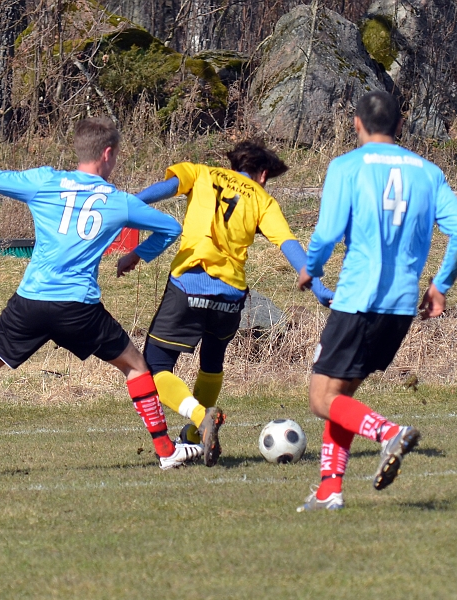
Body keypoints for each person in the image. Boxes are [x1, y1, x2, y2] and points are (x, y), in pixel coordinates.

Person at [0, 117, 202, 474]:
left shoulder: (44, 181)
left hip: (31, 303)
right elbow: (171, 228)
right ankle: (166, 451)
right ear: (107, 154)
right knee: (136, 367)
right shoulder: (119, 201)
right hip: (80, 309)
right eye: (117, 156)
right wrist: (135, 256)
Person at [294, 91, 457, 511]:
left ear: (356, 123)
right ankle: (328, 491)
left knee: (321, 399)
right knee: (341, 398)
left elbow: (328, 230)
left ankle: (389, 433)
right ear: (400, 126)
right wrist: (440, 286)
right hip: (399, 308)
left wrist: (312, 268)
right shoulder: (428, 172)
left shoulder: (346, 166)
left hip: (358, 300)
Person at [119, 139, 334, 466]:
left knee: (153, 368)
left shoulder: (201, 173)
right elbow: (289, 245)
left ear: (235, 166)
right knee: (212, 361)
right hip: (231, 296)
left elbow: (161, 190)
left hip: (189, 284)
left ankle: (201, 417)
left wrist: (123, 206)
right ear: (262, 175)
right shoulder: (263, 199)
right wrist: (318, 287)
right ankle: (193, 437)